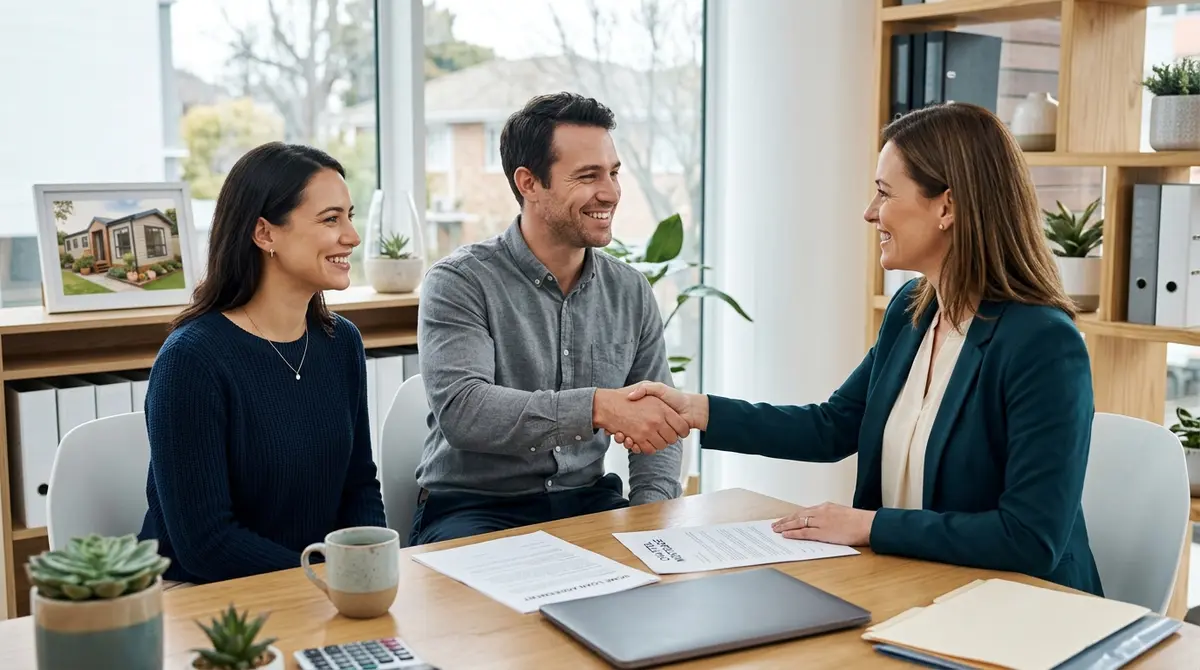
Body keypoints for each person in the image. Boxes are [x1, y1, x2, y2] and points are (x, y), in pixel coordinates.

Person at [615, 102, 1102, 595]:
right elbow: (833, 426)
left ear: (947, 207)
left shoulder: (1042, 343)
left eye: (885, 193)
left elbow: (1029, 539)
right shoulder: (914, 310)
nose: (870, 212)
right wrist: (696, 410)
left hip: (1018, 608)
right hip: (913, 586)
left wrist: (868, 526)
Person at [410, 92, 687, 545]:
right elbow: (465, 411)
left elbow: (661, 422)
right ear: (529, 183)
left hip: (587, 501)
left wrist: (649, 515)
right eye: (588, 176)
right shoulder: (459, 282)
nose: (611, 193)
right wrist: (596, 406)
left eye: (613, 173)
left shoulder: (630, 291)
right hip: (476, 507)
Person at [138, 142, 385, 585]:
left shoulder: (341, 342)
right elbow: (205, 544)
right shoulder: (191, 360)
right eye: (331, 219)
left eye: (349, 215)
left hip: (321, 588)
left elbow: (359, 485)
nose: (352, 235)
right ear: (265, 233)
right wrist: (325, 578)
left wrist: (366, 567)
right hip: (205, 595)